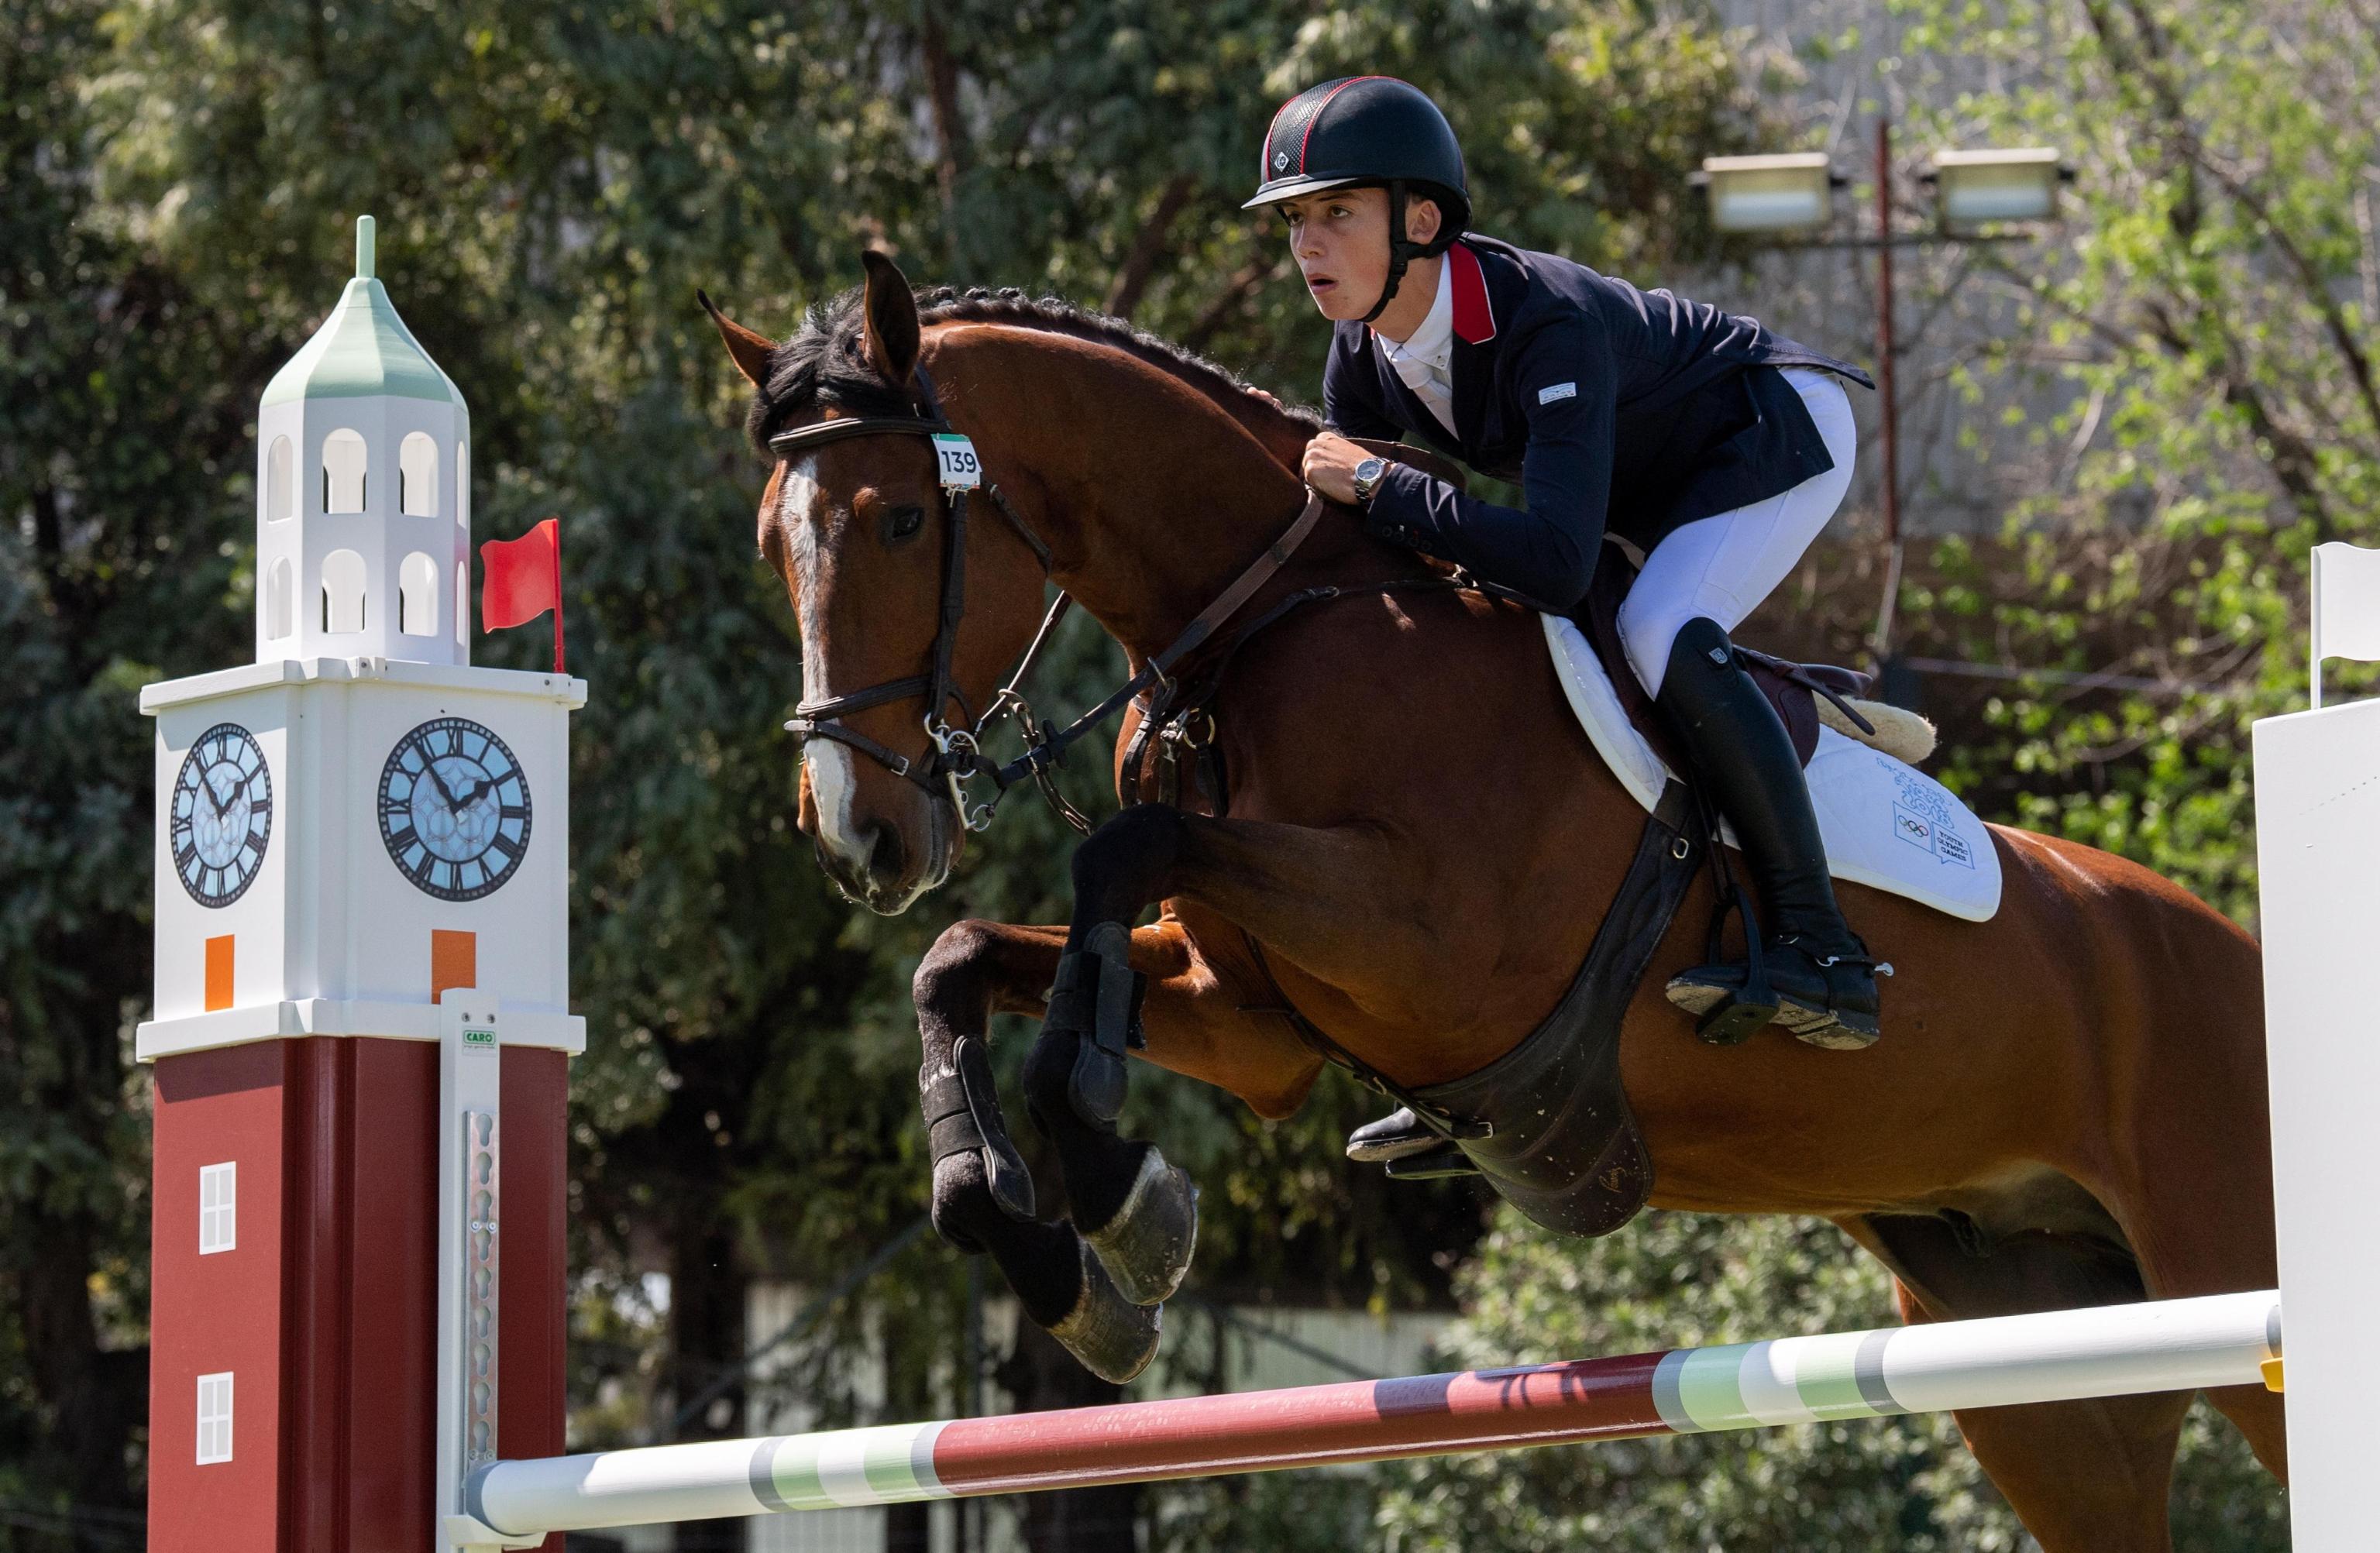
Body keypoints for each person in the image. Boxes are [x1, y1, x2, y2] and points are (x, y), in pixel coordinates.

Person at [1244, 75, 1887, 1077]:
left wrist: (1379, 482)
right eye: (1294, 220)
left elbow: (1551, 561)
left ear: (1421, 220)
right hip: (1648, 486)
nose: (1307, 246)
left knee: (1662, 631)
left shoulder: (1545, 324)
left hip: (1773, 432)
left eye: (1335, 212)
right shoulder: (1360, 355)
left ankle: (1825, 947)